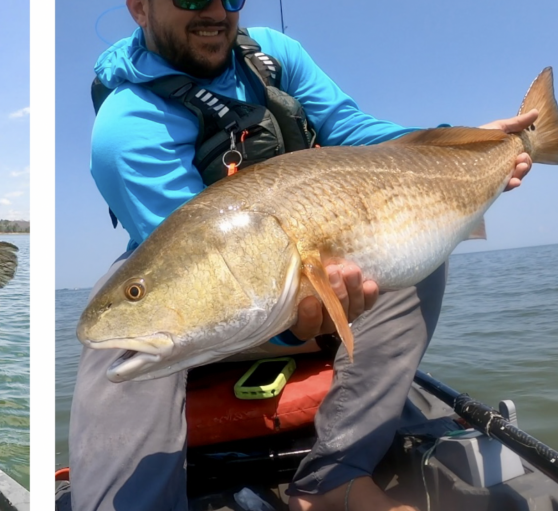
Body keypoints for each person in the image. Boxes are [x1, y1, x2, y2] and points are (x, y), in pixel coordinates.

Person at [69, 0, 536, 510]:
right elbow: (192, 253)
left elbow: (356, 133)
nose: (214, 11)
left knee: (412, 251)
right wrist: (294, 324)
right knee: (118, 338)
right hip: (219, 303)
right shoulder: (126, 129)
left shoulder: (273, 54)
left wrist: (465, 146)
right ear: (139, 6)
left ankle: (335, 477)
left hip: (296, 278)